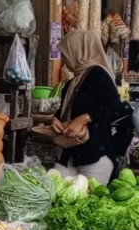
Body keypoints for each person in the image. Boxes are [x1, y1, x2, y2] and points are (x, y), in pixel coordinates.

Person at [51, 30, 126, 185]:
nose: (65, 61)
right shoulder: (72, 83)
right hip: (71, 153)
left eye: (66, 54)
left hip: (95, 155)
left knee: (89, 202)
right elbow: (64, 114)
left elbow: (115, 106)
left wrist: (86, 118)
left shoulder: (98, 74)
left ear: (79, 52)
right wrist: (55, 121)